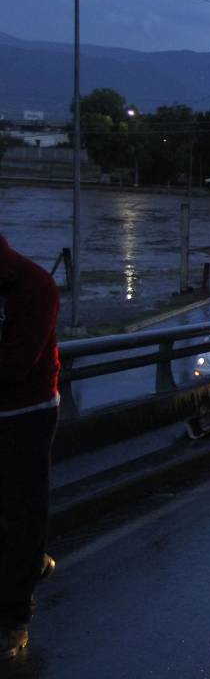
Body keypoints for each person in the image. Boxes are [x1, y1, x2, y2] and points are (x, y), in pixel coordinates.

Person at [0, 234, 60, 661]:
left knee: (22, 511)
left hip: (27, 413)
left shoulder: (36, 288)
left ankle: (14, 620)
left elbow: (16, 365)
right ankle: (29, 564)